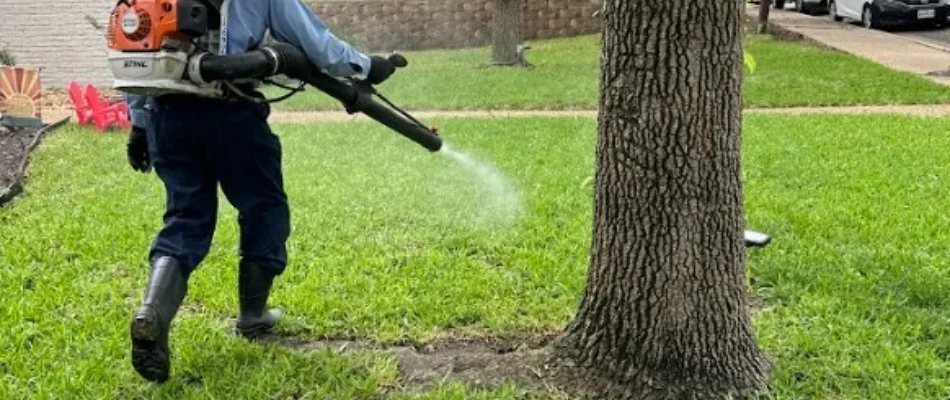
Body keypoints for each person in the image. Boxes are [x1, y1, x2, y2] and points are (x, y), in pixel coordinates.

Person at [123, 0, 397, 384]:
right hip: (231, 111)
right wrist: (368, 66)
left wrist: (138, 122)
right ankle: (252, 316)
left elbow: (137, 48)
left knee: (185, 217)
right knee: (263, 206)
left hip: (167, 117)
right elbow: (314, 43)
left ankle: (152, 312)